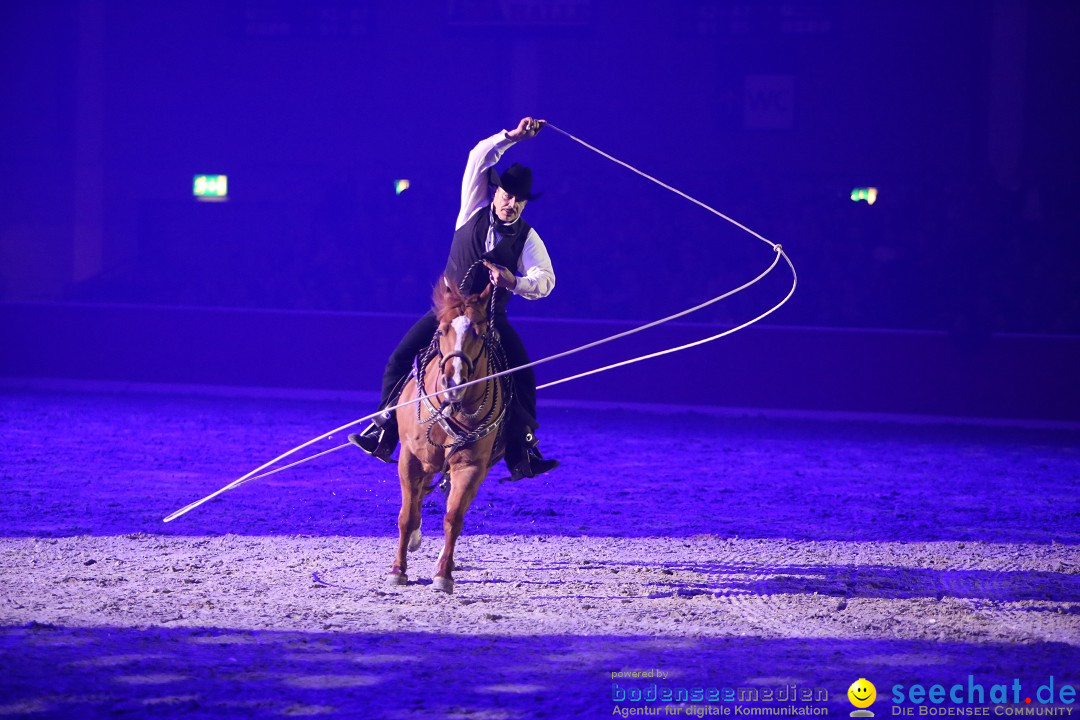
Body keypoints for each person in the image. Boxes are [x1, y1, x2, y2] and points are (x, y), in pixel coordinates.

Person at [350, 117, 559, 482]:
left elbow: (546, 281)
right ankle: (383, 428)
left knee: (523, 373)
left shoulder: (527, 237)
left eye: (519, 200)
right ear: (495, 192)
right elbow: (478, 156)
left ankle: (523, 446)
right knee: (400, 357)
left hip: (488, 320)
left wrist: (514, 281)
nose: (512, 203)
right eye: (507, 195)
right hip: (448, 312)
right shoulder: (472, 208)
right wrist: (513, 137)